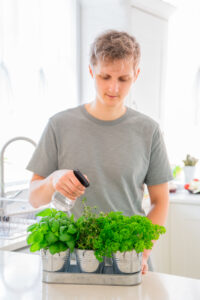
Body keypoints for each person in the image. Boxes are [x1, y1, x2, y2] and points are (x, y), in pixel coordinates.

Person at [27, 30, 173, 275]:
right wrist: (53, 180)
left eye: (123, 79)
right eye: (105, 76)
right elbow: (33, 198)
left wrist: (141, 252)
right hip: (74, 261)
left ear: (136, 75)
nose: (113, 87)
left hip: (128, 259)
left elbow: (160, 201)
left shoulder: (149, 131)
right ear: (91, 71)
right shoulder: (59, 125)